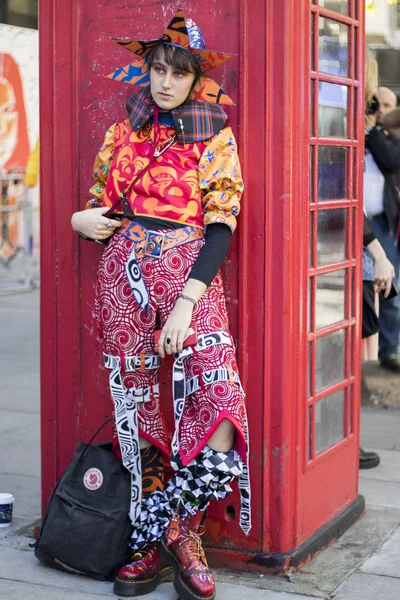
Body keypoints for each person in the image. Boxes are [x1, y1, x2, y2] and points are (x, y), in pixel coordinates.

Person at [71, 9, 250, 600]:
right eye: (157, 70)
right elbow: (101, 203)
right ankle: (156, 544)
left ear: (196, 78)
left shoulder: (214, 134)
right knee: (140, 415)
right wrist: (79, 218)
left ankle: (172, 527)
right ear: (145, 71)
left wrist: (185, 303)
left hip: (190, 279)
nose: (166, 82)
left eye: (178, 72)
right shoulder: (124, 133)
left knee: (219, 401)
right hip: (124, 279)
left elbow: (222, 225)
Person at [364, 79, 400, 372]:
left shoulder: (389, 138)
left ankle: (389, 351)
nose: (381, 110)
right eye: (376, 103)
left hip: (382, 223)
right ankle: (357, 351)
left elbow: (390, 161)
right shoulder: (360, 133)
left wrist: (373, 128)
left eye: (387, 105)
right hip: (353, 223)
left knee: (389, 288)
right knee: (358, 288)